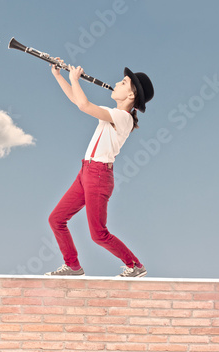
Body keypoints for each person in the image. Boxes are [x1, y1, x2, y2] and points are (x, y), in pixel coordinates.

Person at [46, 60, 154, 277]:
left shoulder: (123, 118)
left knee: (98, 234)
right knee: (56, 219)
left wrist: (75, 79)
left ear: (131, 96)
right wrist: (59, 76)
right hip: (85, 172)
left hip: (98, 176)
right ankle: (73, 266)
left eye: (123, 83)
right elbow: (79, 101)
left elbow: (85, 106)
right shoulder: (110, 114)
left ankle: (135, 265)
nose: (116, 83)